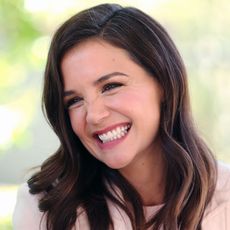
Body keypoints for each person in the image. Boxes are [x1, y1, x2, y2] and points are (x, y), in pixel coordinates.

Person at [13, 3, 230, 230]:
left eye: (111, 86)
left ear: (163, 83)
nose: (94, 116)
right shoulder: (44, 208)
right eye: (74, 101)